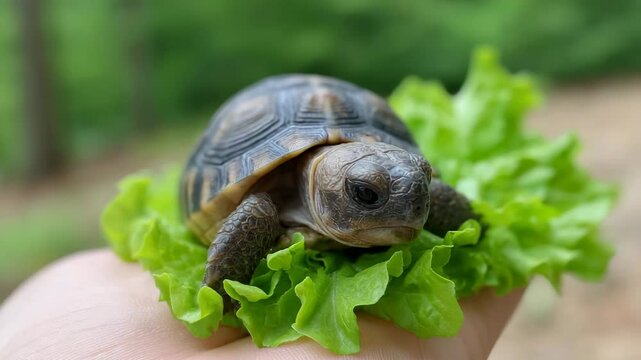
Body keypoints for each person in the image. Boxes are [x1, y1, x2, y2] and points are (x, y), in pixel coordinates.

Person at [0, 249, 523, 359]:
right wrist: (221, 288)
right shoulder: (262, 208)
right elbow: (254, 207)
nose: (408, 210)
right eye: (365, 195)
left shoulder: (404, 186)